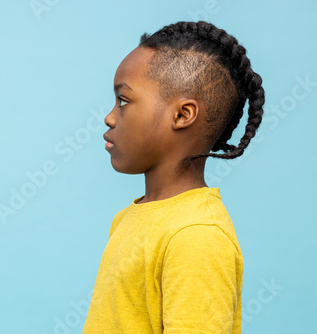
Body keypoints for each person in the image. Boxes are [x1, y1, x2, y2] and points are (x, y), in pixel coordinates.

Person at [82, 21, 265, 334]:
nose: (110, 117)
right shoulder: (127, 218)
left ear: (182, 115)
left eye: (124, 101)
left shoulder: (197, 236)